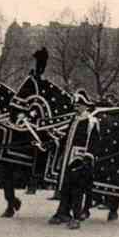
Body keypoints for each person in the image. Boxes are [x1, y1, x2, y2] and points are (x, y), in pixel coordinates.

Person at [50, 92, 98, 229]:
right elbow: (66, 138)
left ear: (85, 106)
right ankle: (63, 213)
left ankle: (76, 217)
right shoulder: (74, 119)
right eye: (75, 105)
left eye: (78, 105)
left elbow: (94, 142)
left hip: (80, 159)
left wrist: (88, 158)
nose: (76, 108)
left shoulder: (91, 121)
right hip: (68, 158)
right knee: (65, 186)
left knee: (77, 189)